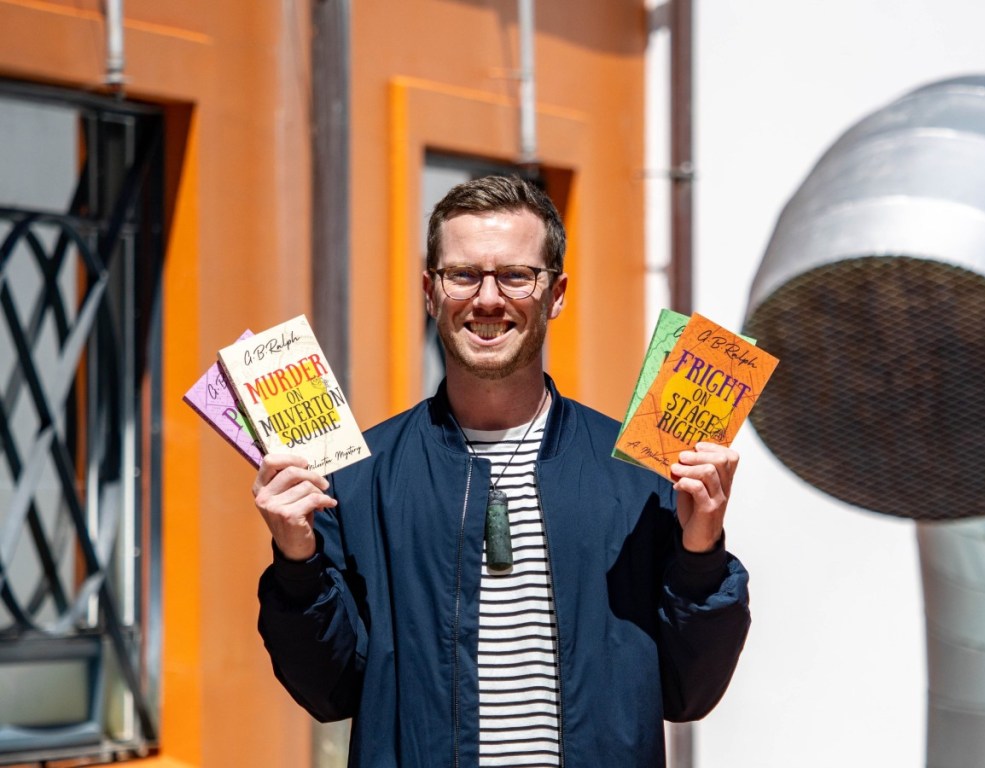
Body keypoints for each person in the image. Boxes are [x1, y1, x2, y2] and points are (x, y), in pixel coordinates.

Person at [254, 174, 750, 768]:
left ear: (556, 294)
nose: (488, 299)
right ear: (430, 292)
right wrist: (297, 562)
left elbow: (688, 693)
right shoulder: (359, 479)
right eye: (463, 275)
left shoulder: (642, 475)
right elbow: (327, 692)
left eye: (515, 275)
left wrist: (702, 553)